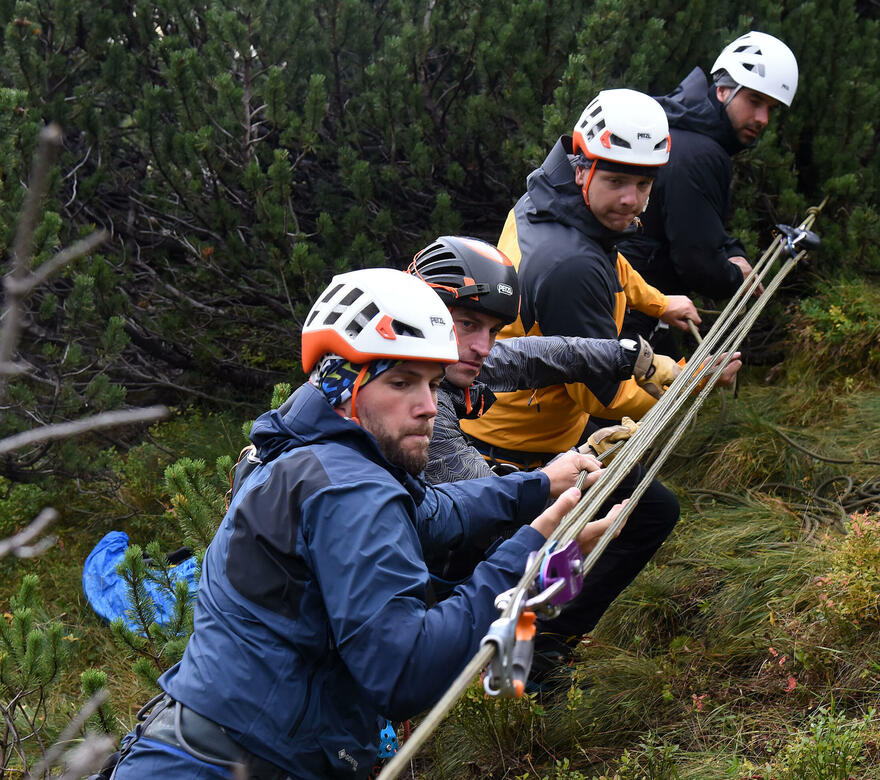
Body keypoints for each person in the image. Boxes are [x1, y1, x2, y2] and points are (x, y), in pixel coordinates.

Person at [109, 268, 616, 780]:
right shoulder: (351, 488)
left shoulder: (306, 453)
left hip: (194, 750)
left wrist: (538, 486)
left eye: (433, 384)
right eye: (401, 382)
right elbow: (404, 674)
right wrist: (532, 553)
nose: (427, 408)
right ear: (340, 384)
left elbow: (430, 513)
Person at [461, 89, 740, 674]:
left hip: (519, 427)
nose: (632, 200)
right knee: (592, 538)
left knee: (626, 519)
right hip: (519, 451)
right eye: (617, 181)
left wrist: (658, 302)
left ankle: (532, 649)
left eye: (644, 184)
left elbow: (614, 265)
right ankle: (538, 657)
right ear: (584, 166)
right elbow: (603, 395)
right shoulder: (570, 266)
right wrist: (689, 382)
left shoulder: (548, 199)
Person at [406, 234, 680, 597]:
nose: (484, 347)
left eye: (494, 330)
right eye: (468, 324)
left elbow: (532, 356)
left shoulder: (423, 361)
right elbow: (495, 513)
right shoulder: (419, 408)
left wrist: (629, 357)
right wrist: (581, 464)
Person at [618, 31, 799, 345]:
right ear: (724, 90)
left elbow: (699, 225)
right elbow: (697, 264)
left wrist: (733, 253)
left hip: (627, 297)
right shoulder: (700, 154)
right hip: (634, 311)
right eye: (754, 101)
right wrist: (735, 276)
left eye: (771, 108)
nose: (763, 119)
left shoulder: (680, 126)